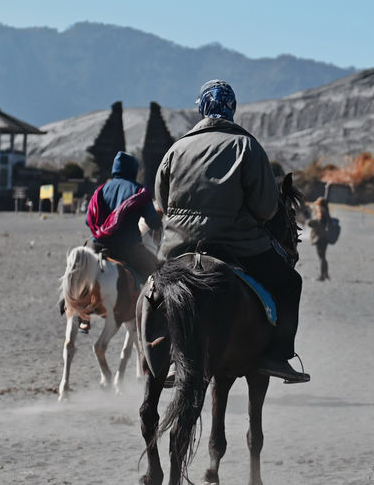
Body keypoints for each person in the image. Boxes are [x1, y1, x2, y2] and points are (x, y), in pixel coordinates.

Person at [155, 79, 309, 384]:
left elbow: (161, 202)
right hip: (236, 245)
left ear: (200, 108)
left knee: (152, 293)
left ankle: (167, 355)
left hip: (177, 247)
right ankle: (277, 356)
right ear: (232, 109)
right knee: (290, 283)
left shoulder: (175, 149)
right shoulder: (247, 146)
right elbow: (266, 209)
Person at [86, 151, 161, 281]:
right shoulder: (139, 192)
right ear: (134, 170)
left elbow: (88, 221)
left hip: (98, 244)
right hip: (128, 248)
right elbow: (152, 222)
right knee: (158, 273)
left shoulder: (100, 190)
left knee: (76, 270)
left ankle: (63, 301)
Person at [308, 197, 331, 281]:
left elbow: (320, 222)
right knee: (323, 256)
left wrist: (312, 222)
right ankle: (326, 274)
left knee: (321, 257)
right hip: (325, 237)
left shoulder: (321, 211)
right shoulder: (326, 211)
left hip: (320, 237)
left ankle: (322, 276)